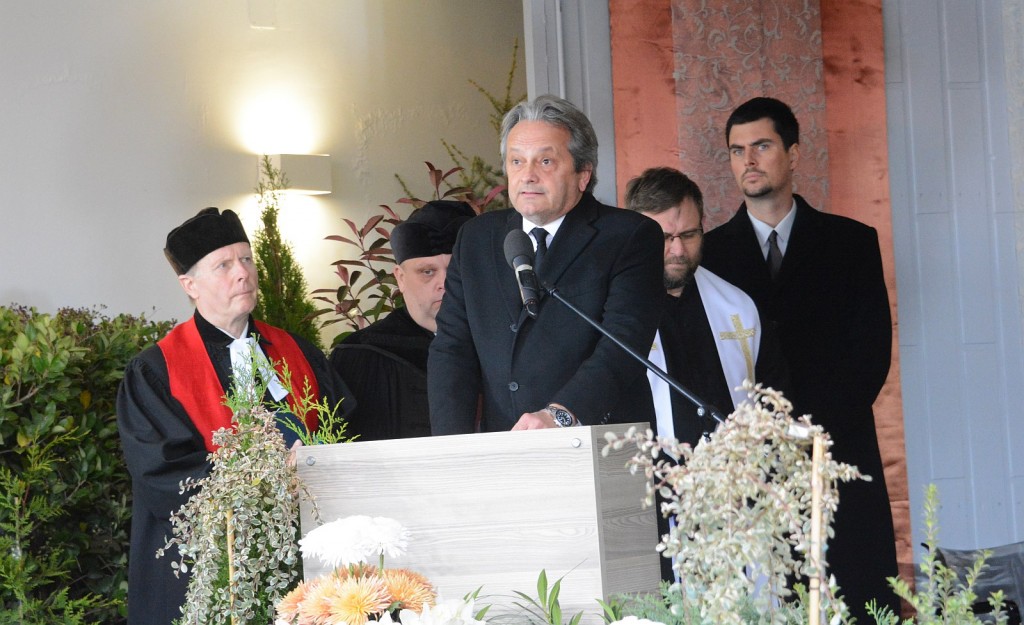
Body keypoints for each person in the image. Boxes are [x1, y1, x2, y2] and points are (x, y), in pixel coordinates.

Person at [700, 97, 900, 619]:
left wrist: (810, 432)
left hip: (837, 447)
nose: (748, 160)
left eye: (761, 146)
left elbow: (870, 353)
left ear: (793, 153)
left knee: (857, 595)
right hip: (750, 461)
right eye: (737, 150)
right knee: (769, 598)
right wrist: (759, 435)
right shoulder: (709, 255)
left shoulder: (852, 242)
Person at [116, 207, 354, 625]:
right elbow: (162, 471)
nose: (243, 273)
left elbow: (344, 426)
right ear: (190, 285)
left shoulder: (296, 350)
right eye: (223, 265)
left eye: (246, 259)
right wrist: (265, 481)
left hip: (307, 548)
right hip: (208, 565)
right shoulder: (156, 371)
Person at [428, 94, 665, 433]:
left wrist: (560, 415)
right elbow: (452, 348)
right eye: (516, 161)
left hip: (599, 439)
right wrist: (451, 445)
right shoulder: (476, 239)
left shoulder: (630, 236)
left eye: (545, 161)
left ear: (583, 174)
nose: (527, 176)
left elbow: (623, 344)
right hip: (507, 445)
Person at [624, 166, 788, 448]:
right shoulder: (613, 307)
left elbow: (774, 399)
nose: (678, 251)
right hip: (647, 468)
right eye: (664, 237)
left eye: (689, 235)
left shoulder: (738, 307)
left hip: (736, 467)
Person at [330, 200, 475, 440]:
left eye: (455, 270)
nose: (444, 284)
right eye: (427, 272)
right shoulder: (361, 356)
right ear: (400, 278)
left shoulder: (505, 346)